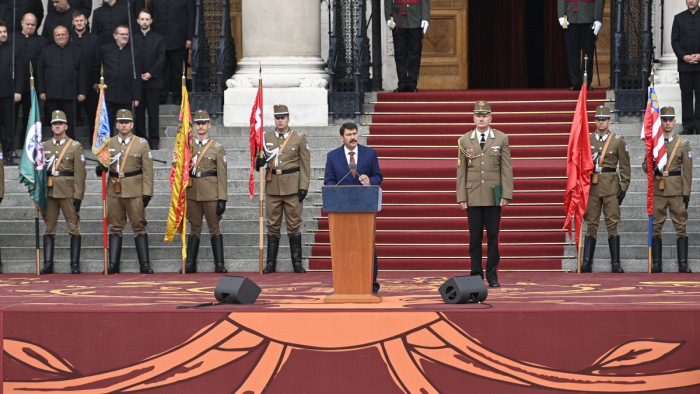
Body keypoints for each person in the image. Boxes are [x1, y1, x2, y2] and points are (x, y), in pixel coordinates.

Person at [456, 100, 513, 288]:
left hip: (493, 195)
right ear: (473, 118)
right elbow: (461, 170)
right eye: (478, 115)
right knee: (474, 239)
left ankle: (492, 275)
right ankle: (476, 275)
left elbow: (506, 168)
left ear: (490, 117)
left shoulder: (501, 138)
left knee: (494, 238)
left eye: (485, 115)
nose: (481, 118)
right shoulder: (464, 139)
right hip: (473, 195)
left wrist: (506, 193)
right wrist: (461, 197)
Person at [324, 122, 383, 292]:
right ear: (342, 137)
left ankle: (370, 284)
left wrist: (370, 181)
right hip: (341, 208)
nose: (353, 138)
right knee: (343, 246)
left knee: (367, 246)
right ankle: (344, 284)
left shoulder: (369, 154)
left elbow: (378, 176)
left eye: (355, 134)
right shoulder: (333, 156)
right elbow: (329, 180)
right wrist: (334, 189)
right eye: (349, 135)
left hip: (365, 206)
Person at [95, 109, 154, 274]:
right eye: (121, 122)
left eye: (126, 122)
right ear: (116, 124)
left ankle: (145, 264)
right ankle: (113, 264)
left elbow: (148, 170)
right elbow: (101, 166)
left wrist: (147, 192)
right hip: (114, 189)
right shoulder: (109, 143)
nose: (124, 125)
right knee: (115, 227)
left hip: (135, 190)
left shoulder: (141, 143)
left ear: (132, 124)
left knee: (139, 226)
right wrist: (100, 168)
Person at [256, 104, 310, 274]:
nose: (280, 121)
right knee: (273, 225)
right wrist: (258, 164)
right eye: (277, 118)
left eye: (283, 117)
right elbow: (260, 159)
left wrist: (303, 186)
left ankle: (296, 263)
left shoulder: (299, 137)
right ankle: (271, 263)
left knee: (294, 225)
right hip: (272, 186)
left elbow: (305, 164)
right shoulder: (265, 137)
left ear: (288, 119)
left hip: (292, 187)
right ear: (275, 119)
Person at [642, 107, 693, 273]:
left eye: (671, 119)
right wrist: (653, 163)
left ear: (675, 121)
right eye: (665, 120)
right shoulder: (654, 143)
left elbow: (688, 171)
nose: (668, 123)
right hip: (659, 190)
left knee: (681, 226)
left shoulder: (683, 144)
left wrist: (686, 193)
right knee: (656, 226)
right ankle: (657, 263)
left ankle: (683, 263)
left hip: (677, 191)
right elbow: (644, 167)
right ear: (661, 122)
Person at [580, 106, 631, 273]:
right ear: (595, 121)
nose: (601, 122)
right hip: (592, 187)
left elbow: (625, 167)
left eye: (604, 119)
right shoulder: (587, 140)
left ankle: (615, 262)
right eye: (598, 119)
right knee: (591, 224)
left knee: (612, 224)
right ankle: (587, 261)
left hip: (610, 187)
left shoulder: (618, 140)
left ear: (609, 121)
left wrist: (623, 186)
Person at [40, 110, 86, 274]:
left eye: (60, 123)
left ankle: (74, 264)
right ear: (51, 127)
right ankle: (48, 263)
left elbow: (80, 174)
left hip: (67, 191)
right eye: (54, 124)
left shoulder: (75, 146)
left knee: (73, 227)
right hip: (50, 192)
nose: (57, 126)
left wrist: (78, 196)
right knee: (49, 228)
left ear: (66, 126)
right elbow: (39, 171)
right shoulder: (44, 146)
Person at [183, 110, 228, 274]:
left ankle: (219, 264)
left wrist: (222, 197)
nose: (200, 126)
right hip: (192, 191)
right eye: (198, 123)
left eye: (203, 123)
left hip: (211, 192)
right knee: (194, 227)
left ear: (209, 125)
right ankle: (190, 263)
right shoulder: (187, 146)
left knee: (214, 227)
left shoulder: (217, 147)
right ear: (194, 126)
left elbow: (222, 175)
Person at [138, 0, 195, 104]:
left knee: (178, 70)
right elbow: (150, 14)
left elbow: (191, 17)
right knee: (162, 69)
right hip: (160, 38)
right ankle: (161, 96)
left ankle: (178, 96)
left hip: (179, 38)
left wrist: (189, 38)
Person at [37, 25, 87, 140]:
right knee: (54, 121)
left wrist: (82, 92)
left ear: (68, 35)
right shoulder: (46, 51)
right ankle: (54, 144)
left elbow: (83, 73)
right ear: (54, 36)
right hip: (51, 94)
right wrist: (42, 91)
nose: (61, 37)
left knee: (70, 122)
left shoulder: (77, 51)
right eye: (58, 35)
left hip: (71, 94)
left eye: (63, 34)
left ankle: (70, 146)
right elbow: (40, 72)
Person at [12, 13, 47, 163]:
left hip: (33, 87)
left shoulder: (41, 41)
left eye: (33, 24)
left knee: (29, 118)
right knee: (11, 117)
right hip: (14, 87)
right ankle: (10, 146)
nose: (30, 26)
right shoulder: (12, 38)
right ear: (21, 23)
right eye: (28, 24)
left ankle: (25, 144)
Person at [96, 25, 141, 135]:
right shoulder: (105, 49)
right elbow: (96, 67)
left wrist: (136, 96)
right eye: (122, 34)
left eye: (127, 34)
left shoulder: (133, 51)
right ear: (115, 35)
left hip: (126, 93)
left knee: (125, 123)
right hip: (108, 92)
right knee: (107, 122)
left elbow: (137, 75)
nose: (125, 36)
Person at [133, 9, 164, 150]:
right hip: (137, 82)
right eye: (142, 19)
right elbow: (131, 60)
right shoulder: (133, 39)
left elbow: (161, 59)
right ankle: (140, 139)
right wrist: (138, 74)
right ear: (138, 21)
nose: (144, 21)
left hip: (153, 82)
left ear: (151, 21)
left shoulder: (159, 38)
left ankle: (154, 140)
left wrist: (150, 73)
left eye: (147, 19)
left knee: (153, 113)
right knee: (138, 113)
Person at [557, 0, 605, 90]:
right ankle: (575, 82)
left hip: (589, 16)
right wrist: (561, 15)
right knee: (572, 53)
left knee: (588, 53)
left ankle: (586, 82)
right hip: (570, 17)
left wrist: (598, 18)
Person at [385, 0, 430, 92]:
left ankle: (412, 83)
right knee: (400, 53)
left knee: (415, 53)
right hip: (398, 17)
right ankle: (402, 83)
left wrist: (425, 17)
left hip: (416, 17)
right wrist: (388, 17)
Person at [671, 0, 700, 135]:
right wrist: (684, 57)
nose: (691, 1)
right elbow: (674, 41)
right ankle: (688, 126)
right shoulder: (679, 18)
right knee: (686, 95)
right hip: (684, 65)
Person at [71, 10, 99, 137]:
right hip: (71, 83)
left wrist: (96, 81)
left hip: (90, 82)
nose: (79, 23)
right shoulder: (68, 38)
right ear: (73, 22)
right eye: (76, 21)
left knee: (92, 114)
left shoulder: (94, 39)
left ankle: (93, 141)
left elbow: (98, 62)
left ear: (86, 21)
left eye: (81, 20)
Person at [0, 21, 23, 166]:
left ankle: (9, 154)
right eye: (0, 32)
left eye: (4, 32)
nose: (3, 34)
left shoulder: (14, 48)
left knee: (9, 125)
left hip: (8, 93)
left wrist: (18, 90)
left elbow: (20, 72)